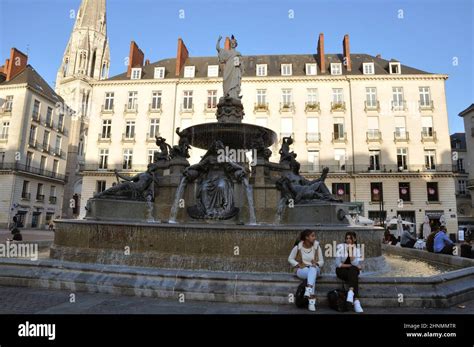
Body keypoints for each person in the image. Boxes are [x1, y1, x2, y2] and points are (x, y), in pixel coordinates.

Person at [288, 229, 324, 312]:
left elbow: (322, 262)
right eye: (312, 236)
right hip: (302, 270)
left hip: (315, 268)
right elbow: (290, 259)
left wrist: (317, 263)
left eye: (314, 236)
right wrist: (297, 264)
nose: (315, 238)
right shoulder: (298, 247)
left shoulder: (317, 246)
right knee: (312, 277)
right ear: (306, 237)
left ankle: (309, 291)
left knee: (313, 269)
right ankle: (311, 300)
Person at [335, 231, 363, 313]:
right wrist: (351, 266)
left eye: (350, 238)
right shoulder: (340, 247)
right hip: (341, 271)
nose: (348, 240)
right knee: (353, 270)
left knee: (353, 270)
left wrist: (350, 251)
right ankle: (356, 301)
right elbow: (338, 264)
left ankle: (351, 293)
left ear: (354, 239)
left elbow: (355, 263)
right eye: (347, 238)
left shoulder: (357, 250)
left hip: (352, 272)